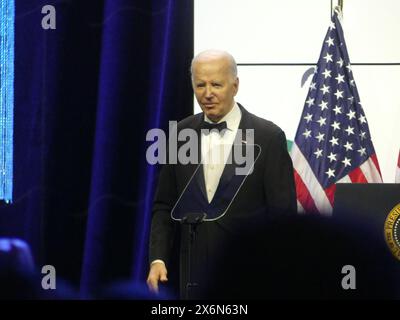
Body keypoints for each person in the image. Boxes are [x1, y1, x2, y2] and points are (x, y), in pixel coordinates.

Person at [146, 50, 296, 299]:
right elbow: (164, 206)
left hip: (250, 279)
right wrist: (158, 258)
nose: (207, 93)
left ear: (235, 85)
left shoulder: (268, 137)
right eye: (200, 85)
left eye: (216, 84)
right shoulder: (180, 134)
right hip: (192, 279)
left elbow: (282, 216)